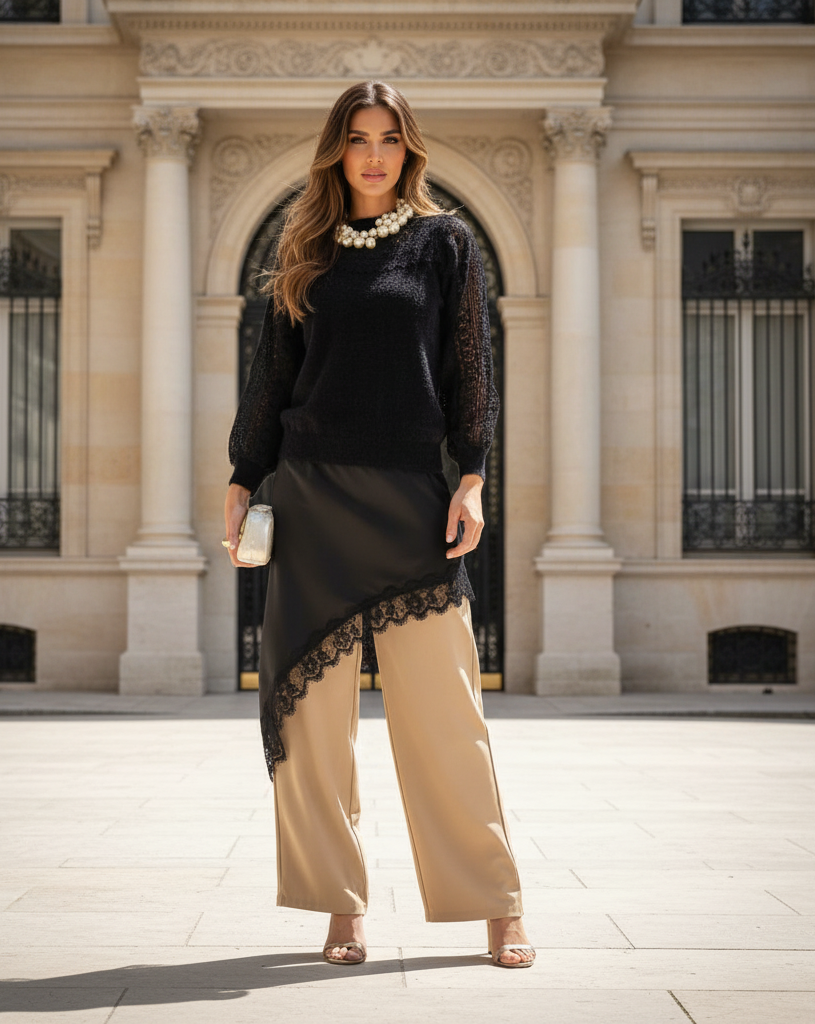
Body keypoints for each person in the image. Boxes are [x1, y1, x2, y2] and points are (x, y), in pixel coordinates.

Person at [224, 80, 534, 970]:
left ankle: (498, 905)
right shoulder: (306, 246)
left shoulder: (446, 244)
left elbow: (471, 366)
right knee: (316, 723)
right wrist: (243, 478)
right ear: (336, 150)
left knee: (447, 715)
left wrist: (472, 477)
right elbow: (272, 377)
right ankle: (340, 909)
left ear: (409, 150)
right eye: (357, 138)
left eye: (388, 139)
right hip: (313, 495)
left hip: (410, 501)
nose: (372, 154)